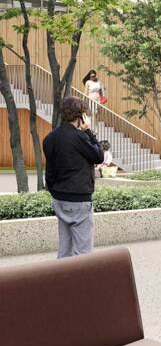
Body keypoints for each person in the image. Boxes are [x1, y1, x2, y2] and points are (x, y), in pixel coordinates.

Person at [42, 96, 104, 258]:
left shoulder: (50, 138)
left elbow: (50, 172)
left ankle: (62, 283)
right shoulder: (80, 137)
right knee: (83, 254)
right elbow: (99, 156)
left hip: (60, 199)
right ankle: (81, 283)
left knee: (65, 250)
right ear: (80, 116)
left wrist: (55, 193)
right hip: (79, 200)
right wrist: (89, 131)